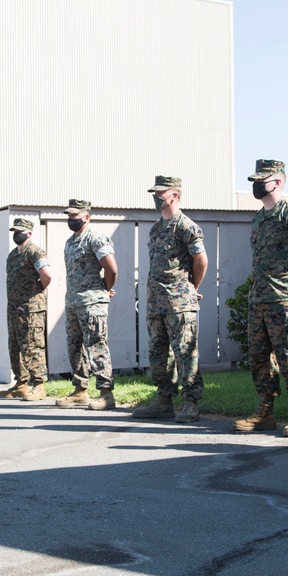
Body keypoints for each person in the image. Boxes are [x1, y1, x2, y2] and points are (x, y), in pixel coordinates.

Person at [234, 160, 288, 437]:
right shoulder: (259, 219)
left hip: (286, 299)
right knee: (259, 358)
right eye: (254, 180)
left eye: (262, 179)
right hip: (259, 299)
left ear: (278, 181)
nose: (257, 185)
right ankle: (265, 411)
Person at [134, 176, 208, 423]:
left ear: (175, 195)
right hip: (156, 304)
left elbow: (201, 261)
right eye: (154, 194)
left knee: (185, 354)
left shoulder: (186, 226)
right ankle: (164, 400)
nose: (155, 198)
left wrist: (190, 288)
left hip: (179, 304)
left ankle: (191, 403)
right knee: (157, 354)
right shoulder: (156, 229)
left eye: (160, 193)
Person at [56, 199, 118, 410]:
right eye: (69, 216)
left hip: (92, 302)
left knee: (97, 346)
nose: (71, 219)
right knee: (75, 347)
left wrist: (104, 288)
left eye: (75, 216)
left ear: (86, 217)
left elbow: (111, 269)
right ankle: (80, 391)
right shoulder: (70, 242)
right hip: (73, 301)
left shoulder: (96, 238)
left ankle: (106, 394)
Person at [0, 218, 52, 401]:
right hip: (14, 309)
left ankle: (38, 385)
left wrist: (36, 290)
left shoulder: (34, 252)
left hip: (31, 309)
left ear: (29, 233)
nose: (17, 234)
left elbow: (47, 275)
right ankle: (21, 384)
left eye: (20, 231)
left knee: (32, 345)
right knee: (15, 347)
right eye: (15, 231)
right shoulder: (13, 255)